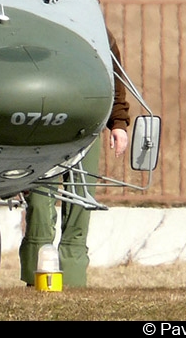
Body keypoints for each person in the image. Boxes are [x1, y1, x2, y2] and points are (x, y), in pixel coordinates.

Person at [19, 26, 131, 287]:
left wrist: (118, 124)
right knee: (38, 201)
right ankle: (36, 277)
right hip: (42, 124)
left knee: (80, 202)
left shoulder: (99, 32)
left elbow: (115, 80)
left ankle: (73, 277)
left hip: (87, 125)